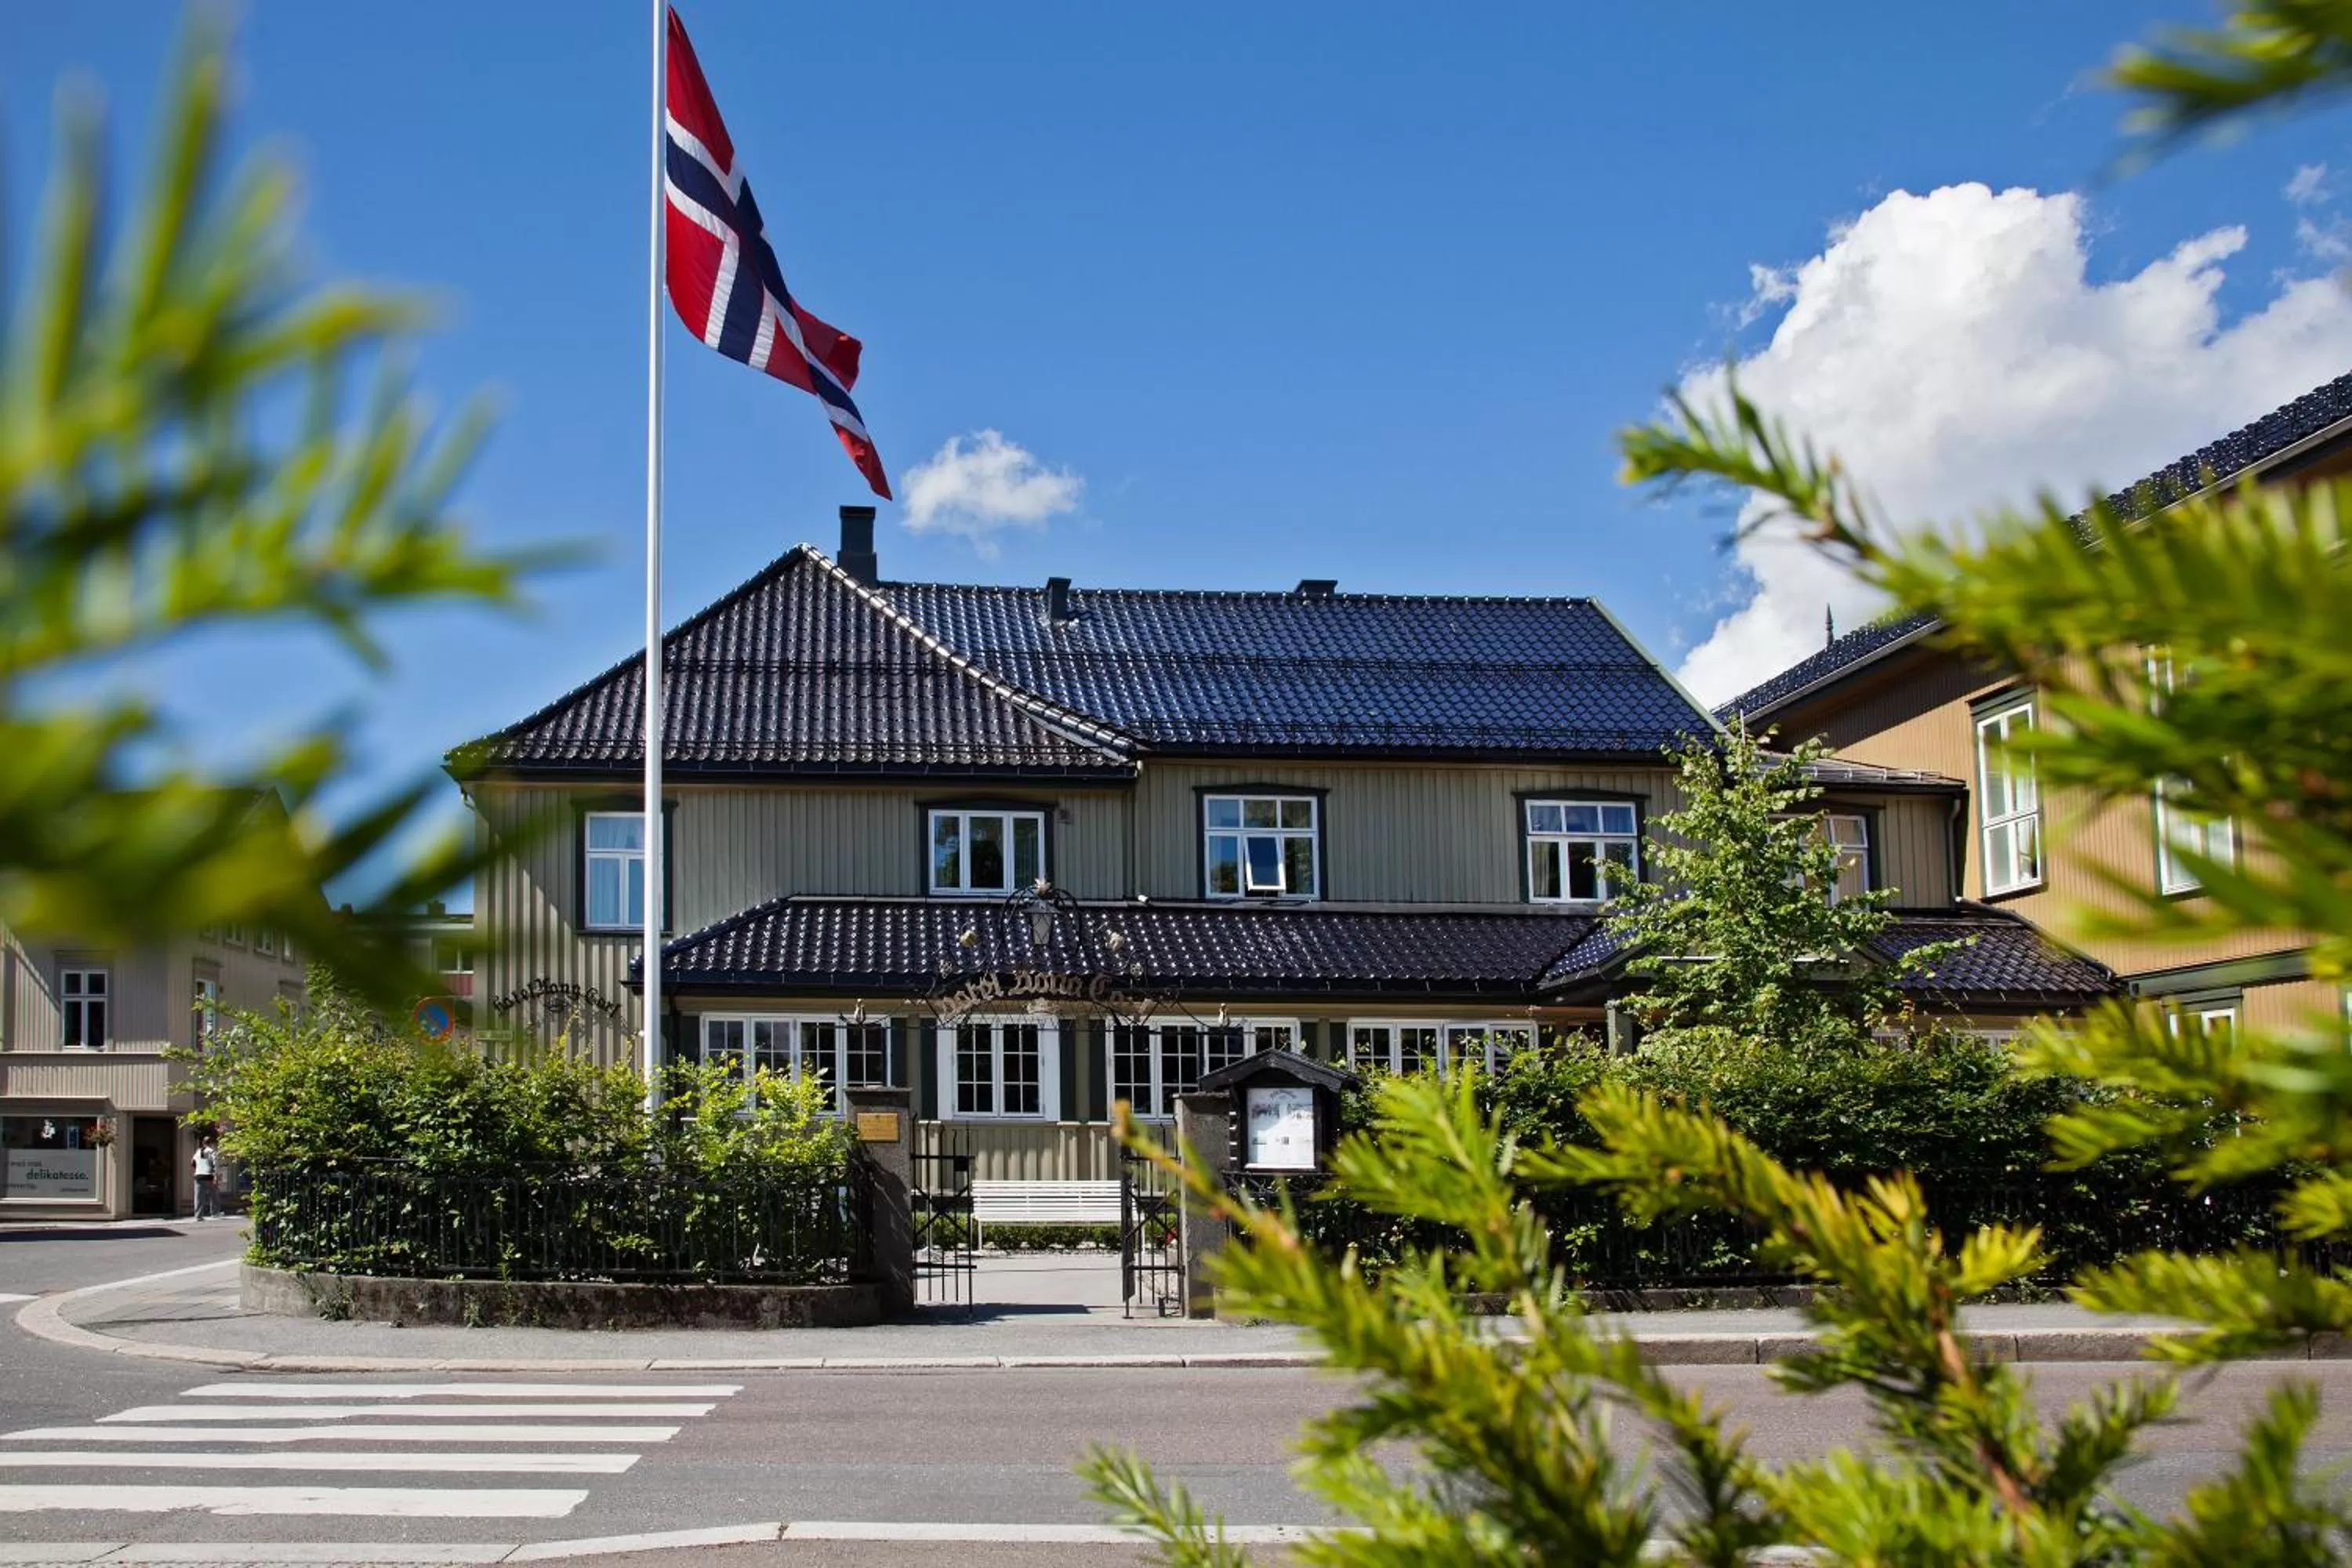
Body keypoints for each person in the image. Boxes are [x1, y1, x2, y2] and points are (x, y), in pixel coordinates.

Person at [191, 1138, 218, 1221]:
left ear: (203, 1143)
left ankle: (198, 1216)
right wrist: (216, 1176)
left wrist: (197, 1169)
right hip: (209, 1176)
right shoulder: (212, 1152)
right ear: (211, 1143)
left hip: (198, 1176)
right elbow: (215, 1164)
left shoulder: (198, 1151)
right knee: (214, 1195)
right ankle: (215, 1213)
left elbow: (192, 1162)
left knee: (198, 1197)